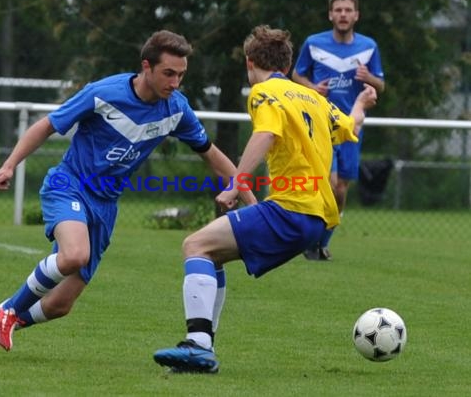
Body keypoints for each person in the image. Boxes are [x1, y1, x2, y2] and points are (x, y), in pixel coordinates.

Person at [0, 29, 257, 360]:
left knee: (59, 305)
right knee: (74, 255)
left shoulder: (176, 109)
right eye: (168, 73)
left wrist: (251, 204)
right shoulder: (103, 93)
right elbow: (47, 126)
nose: (175, 82)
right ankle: (8, 313)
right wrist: (10, 164)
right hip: (68, 185)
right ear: (146, 67)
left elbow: (211, 154)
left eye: (181, 75)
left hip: (106, 205)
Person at [152, 25, 377, 373]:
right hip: (315, 220)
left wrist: (235, 185)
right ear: (287, 66)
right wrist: (362, 102)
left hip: (290, 209)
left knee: (194, 245)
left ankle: (198, 345)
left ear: (249, 62)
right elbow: (351, 128)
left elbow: (266, 134)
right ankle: (201, 350)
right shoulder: (315, 99)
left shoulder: (263, 92)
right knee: (211, 256)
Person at [292, 0, 385, 260]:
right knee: (328, 184)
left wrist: (369, 78)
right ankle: (311, 241)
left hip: (353, 125)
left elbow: (380, 85)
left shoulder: (368, 47)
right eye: (338, 10)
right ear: (330, 14)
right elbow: (297, 74)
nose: (343, 14)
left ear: (356, 15)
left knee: (341, 189)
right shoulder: (313, 43)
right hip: (321, 123)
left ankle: (322, 242)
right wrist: (312, 88)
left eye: (348, 10)